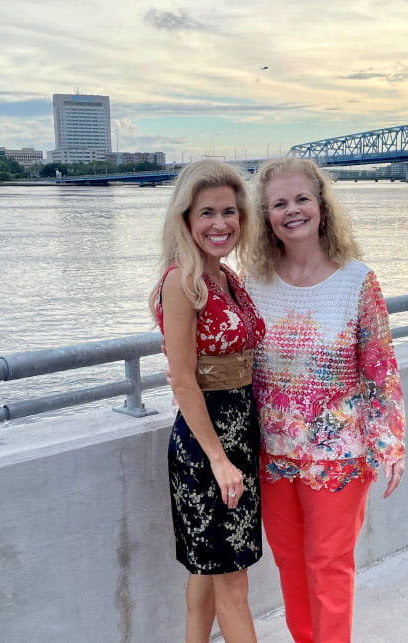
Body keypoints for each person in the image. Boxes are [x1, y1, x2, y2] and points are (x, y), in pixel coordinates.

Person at [244, 157, 406, 643]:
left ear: (321, 205)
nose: (292, 211)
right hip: (273, 456)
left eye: (301, 199)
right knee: (291, 563)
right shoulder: (254, 284)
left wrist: (390, 443)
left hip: (338, 457)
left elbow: (380, 371)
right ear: (266, 216)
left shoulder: (357, 281)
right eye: (279, 203)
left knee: (329, 566)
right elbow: (236, 361)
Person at [149, 159, 266, 643]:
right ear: (186, 219)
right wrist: (219, 461)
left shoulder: (229, 278)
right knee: (232, 580)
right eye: (207, 213)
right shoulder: (184, 282)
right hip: (206, 447)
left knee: (206, 568)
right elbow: (181, 380)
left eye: (229, 212)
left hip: (240, 434)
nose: (221, 224)